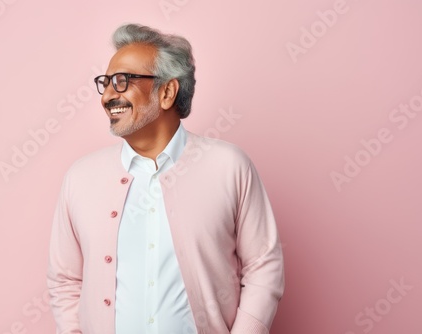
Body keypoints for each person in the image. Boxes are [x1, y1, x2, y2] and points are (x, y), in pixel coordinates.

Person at [47, 23, 285, 334]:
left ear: (168, 92)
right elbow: (65, 279)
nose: (107, 95)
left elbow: (263, 265)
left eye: (122, 81)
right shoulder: (80, 177)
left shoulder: (228, 166)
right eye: (105, 82)